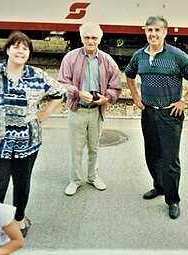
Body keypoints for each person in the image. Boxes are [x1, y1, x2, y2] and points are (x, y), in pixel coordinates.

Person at [0, 31, 66, 237]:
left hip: (28, 141)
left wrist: (44, 113)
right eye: (16, 46)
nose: (20, 51)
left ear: (29, 54)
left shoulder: (37, 75)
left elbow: (60, 93)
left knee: (22, 184)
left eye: (25, 48)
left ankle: (18, 219)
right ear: (8, 50)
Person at [124, 16, 188, 219]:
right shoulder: (139, 56)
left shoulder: (175, 55)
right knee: (152, 154)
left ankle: (173, 199)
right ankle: (159, 186)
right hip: (148, 112)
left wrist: (185, 100)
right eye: (150, 30)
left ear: (165, 32)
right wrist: (135, 95)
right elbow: (129, 73)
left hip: (170, 113)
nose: (153, 34)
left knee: (170, 159)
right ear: (145, 31)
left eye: (157, 30)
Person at [58, 23, 122, 196]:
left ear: (100, 39)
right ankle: (75, 180)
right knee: (76, 148)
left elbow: (116, 86)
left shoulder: (107, 60)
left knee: (94, 147)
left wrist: (106, 98)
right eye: (87, 37)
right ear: (81, 38)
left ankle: (93, 177)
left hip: (96, 112)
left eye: (94, 37)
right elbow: (62, 83)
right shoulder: (70, 58)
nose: (91, 41)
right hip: (77, 109)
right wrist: (78, 93)